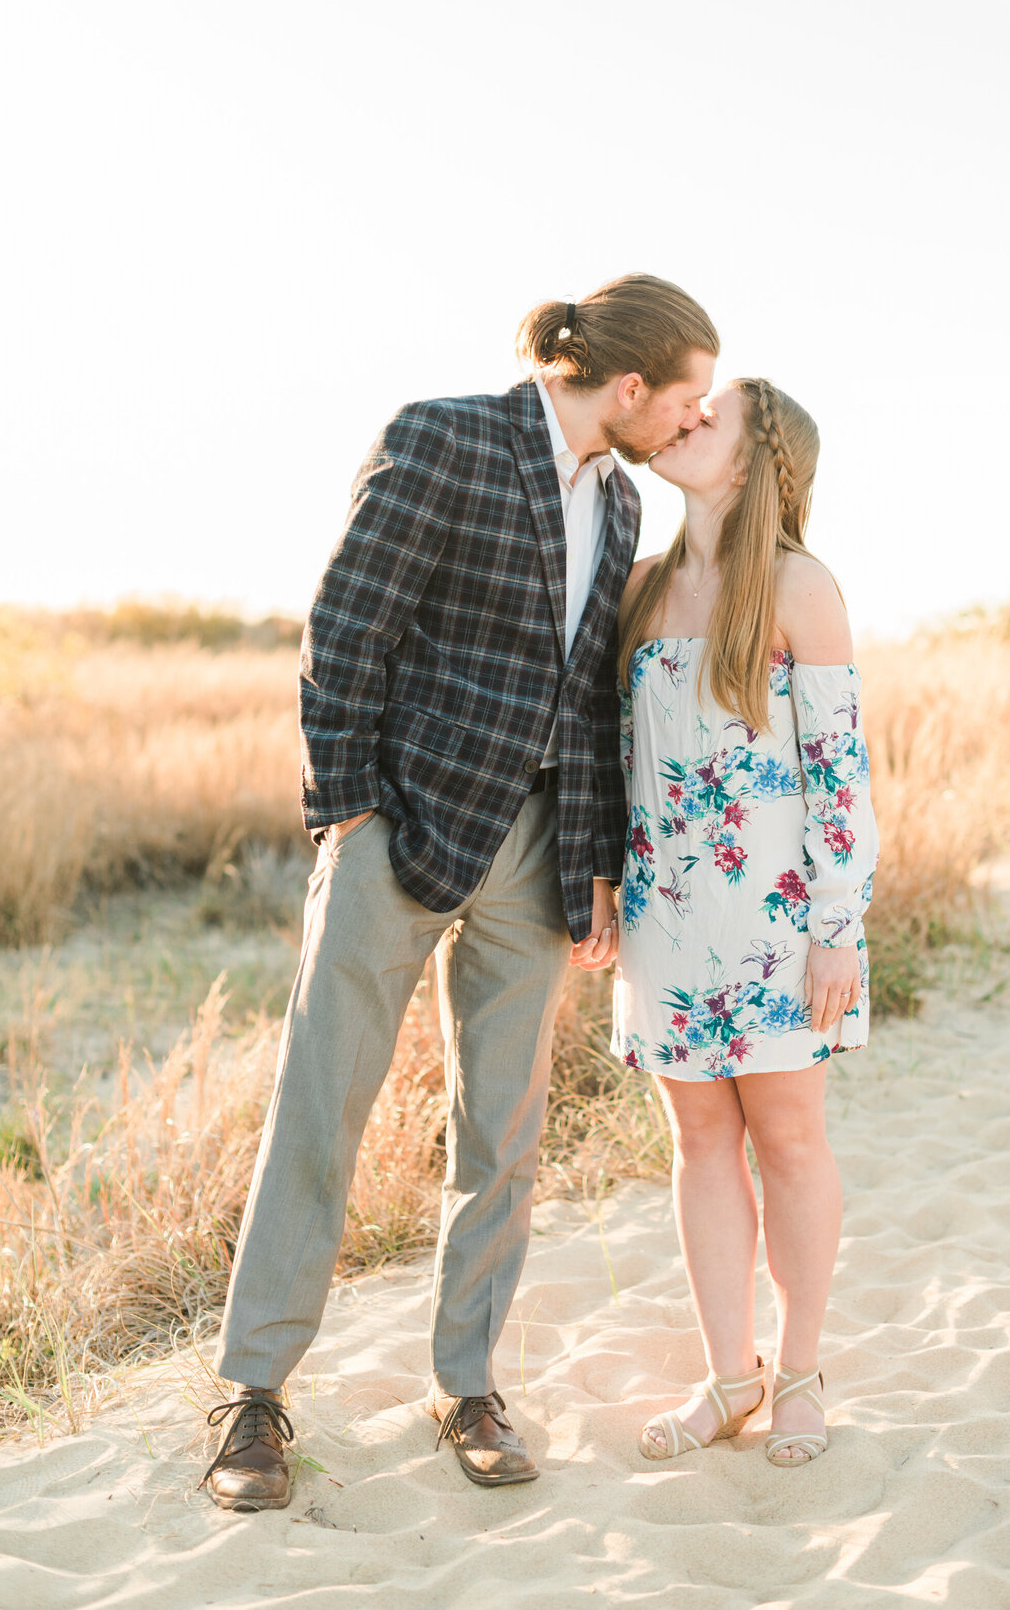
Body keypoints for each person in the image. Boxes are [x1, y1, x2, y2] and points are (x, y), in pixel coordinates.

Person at [201, 275, 719, 1509]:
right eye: (685, 399)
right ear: (630, 385)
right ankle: (253, 1396)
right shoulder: (442, 434)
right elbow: (344, 627)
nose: (689, 424)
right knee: (321, 1104)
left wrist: (594, 862)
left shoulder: (627, 497)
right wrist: (350, 811)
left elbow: (589, 699)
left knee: (504, 1135)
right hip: (401, 830)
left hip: (535, 857)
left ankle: (467, 1382)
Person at [611, 376, 877, 1467]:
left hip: (779, 926)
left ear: (760, 456)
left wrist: (836, 924)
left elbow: (841, 771)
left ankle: (801, 1374)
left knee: (790, 1138)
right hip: (663, 922)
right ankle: (729, 1378)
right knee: (700, 1145)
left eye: (707, 415)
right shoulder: (638, 587)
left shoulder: (800, 587)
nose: (682, 419)